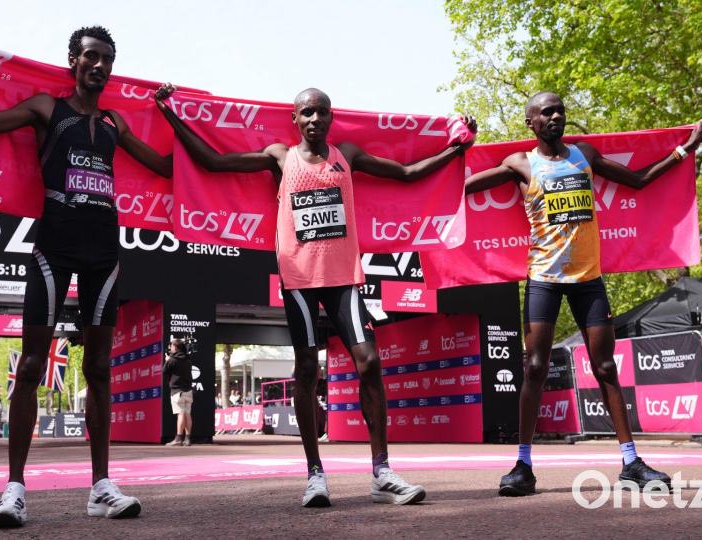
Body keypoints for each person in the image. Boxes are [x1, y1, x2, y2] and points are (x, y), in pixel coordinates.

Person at [0, 25, 173, 527]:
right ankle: (14, 491)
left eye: (106, 59)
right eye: (90, 56)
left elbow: (168, 166)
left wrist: (177, 113)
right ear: (73, 60)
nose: (99, 65)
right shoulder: (47, 110)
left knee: (98, 371)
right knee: (29, 367)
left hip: (104, 256)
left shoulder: (115, 122)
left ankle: (100, 488)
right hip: (54, 250)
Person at [155, 84, 474, 507]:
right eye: (306, 112)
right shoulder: (280, 157)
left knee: (371, 361)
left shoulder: (348, 155)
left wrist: (457, 148)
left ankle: (382, 472)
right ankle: (315, 475)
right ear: (295, 119)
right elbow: (213, 162)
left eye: (321, 112)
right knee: (307, 368)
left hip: (343, 276)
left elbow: (408, 172)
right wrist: (172, 114)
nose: (314, 119)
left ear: (331, 117)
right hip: (300, 276)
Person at [462, 91, 702, 496]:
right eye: (546, 112)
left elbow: (641, 180)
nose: (556, 116)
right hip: (543, 278)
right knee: (536, 367)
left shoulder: (585, 155)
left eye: (559, 110)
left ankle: (631, 462)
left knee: (606, 367)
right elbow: (462, 189)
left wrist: (685, 149)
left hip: (588, 279)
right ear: (531, 123)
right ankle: (522, 464)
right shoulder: (521, 164)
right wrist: (460, 147)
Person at [163, 339, 194, 446]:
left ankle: (178, 438)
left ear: (175, 347)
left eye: (171, 346)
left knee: (180, 414)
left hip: (177, 391)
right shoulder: (188, 359)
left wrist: (167, 360)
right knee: (187, 414)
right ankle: (188, 438)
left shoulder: (172, 360)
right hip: (188, 390)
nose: (170, 348)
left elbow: (164, 371)